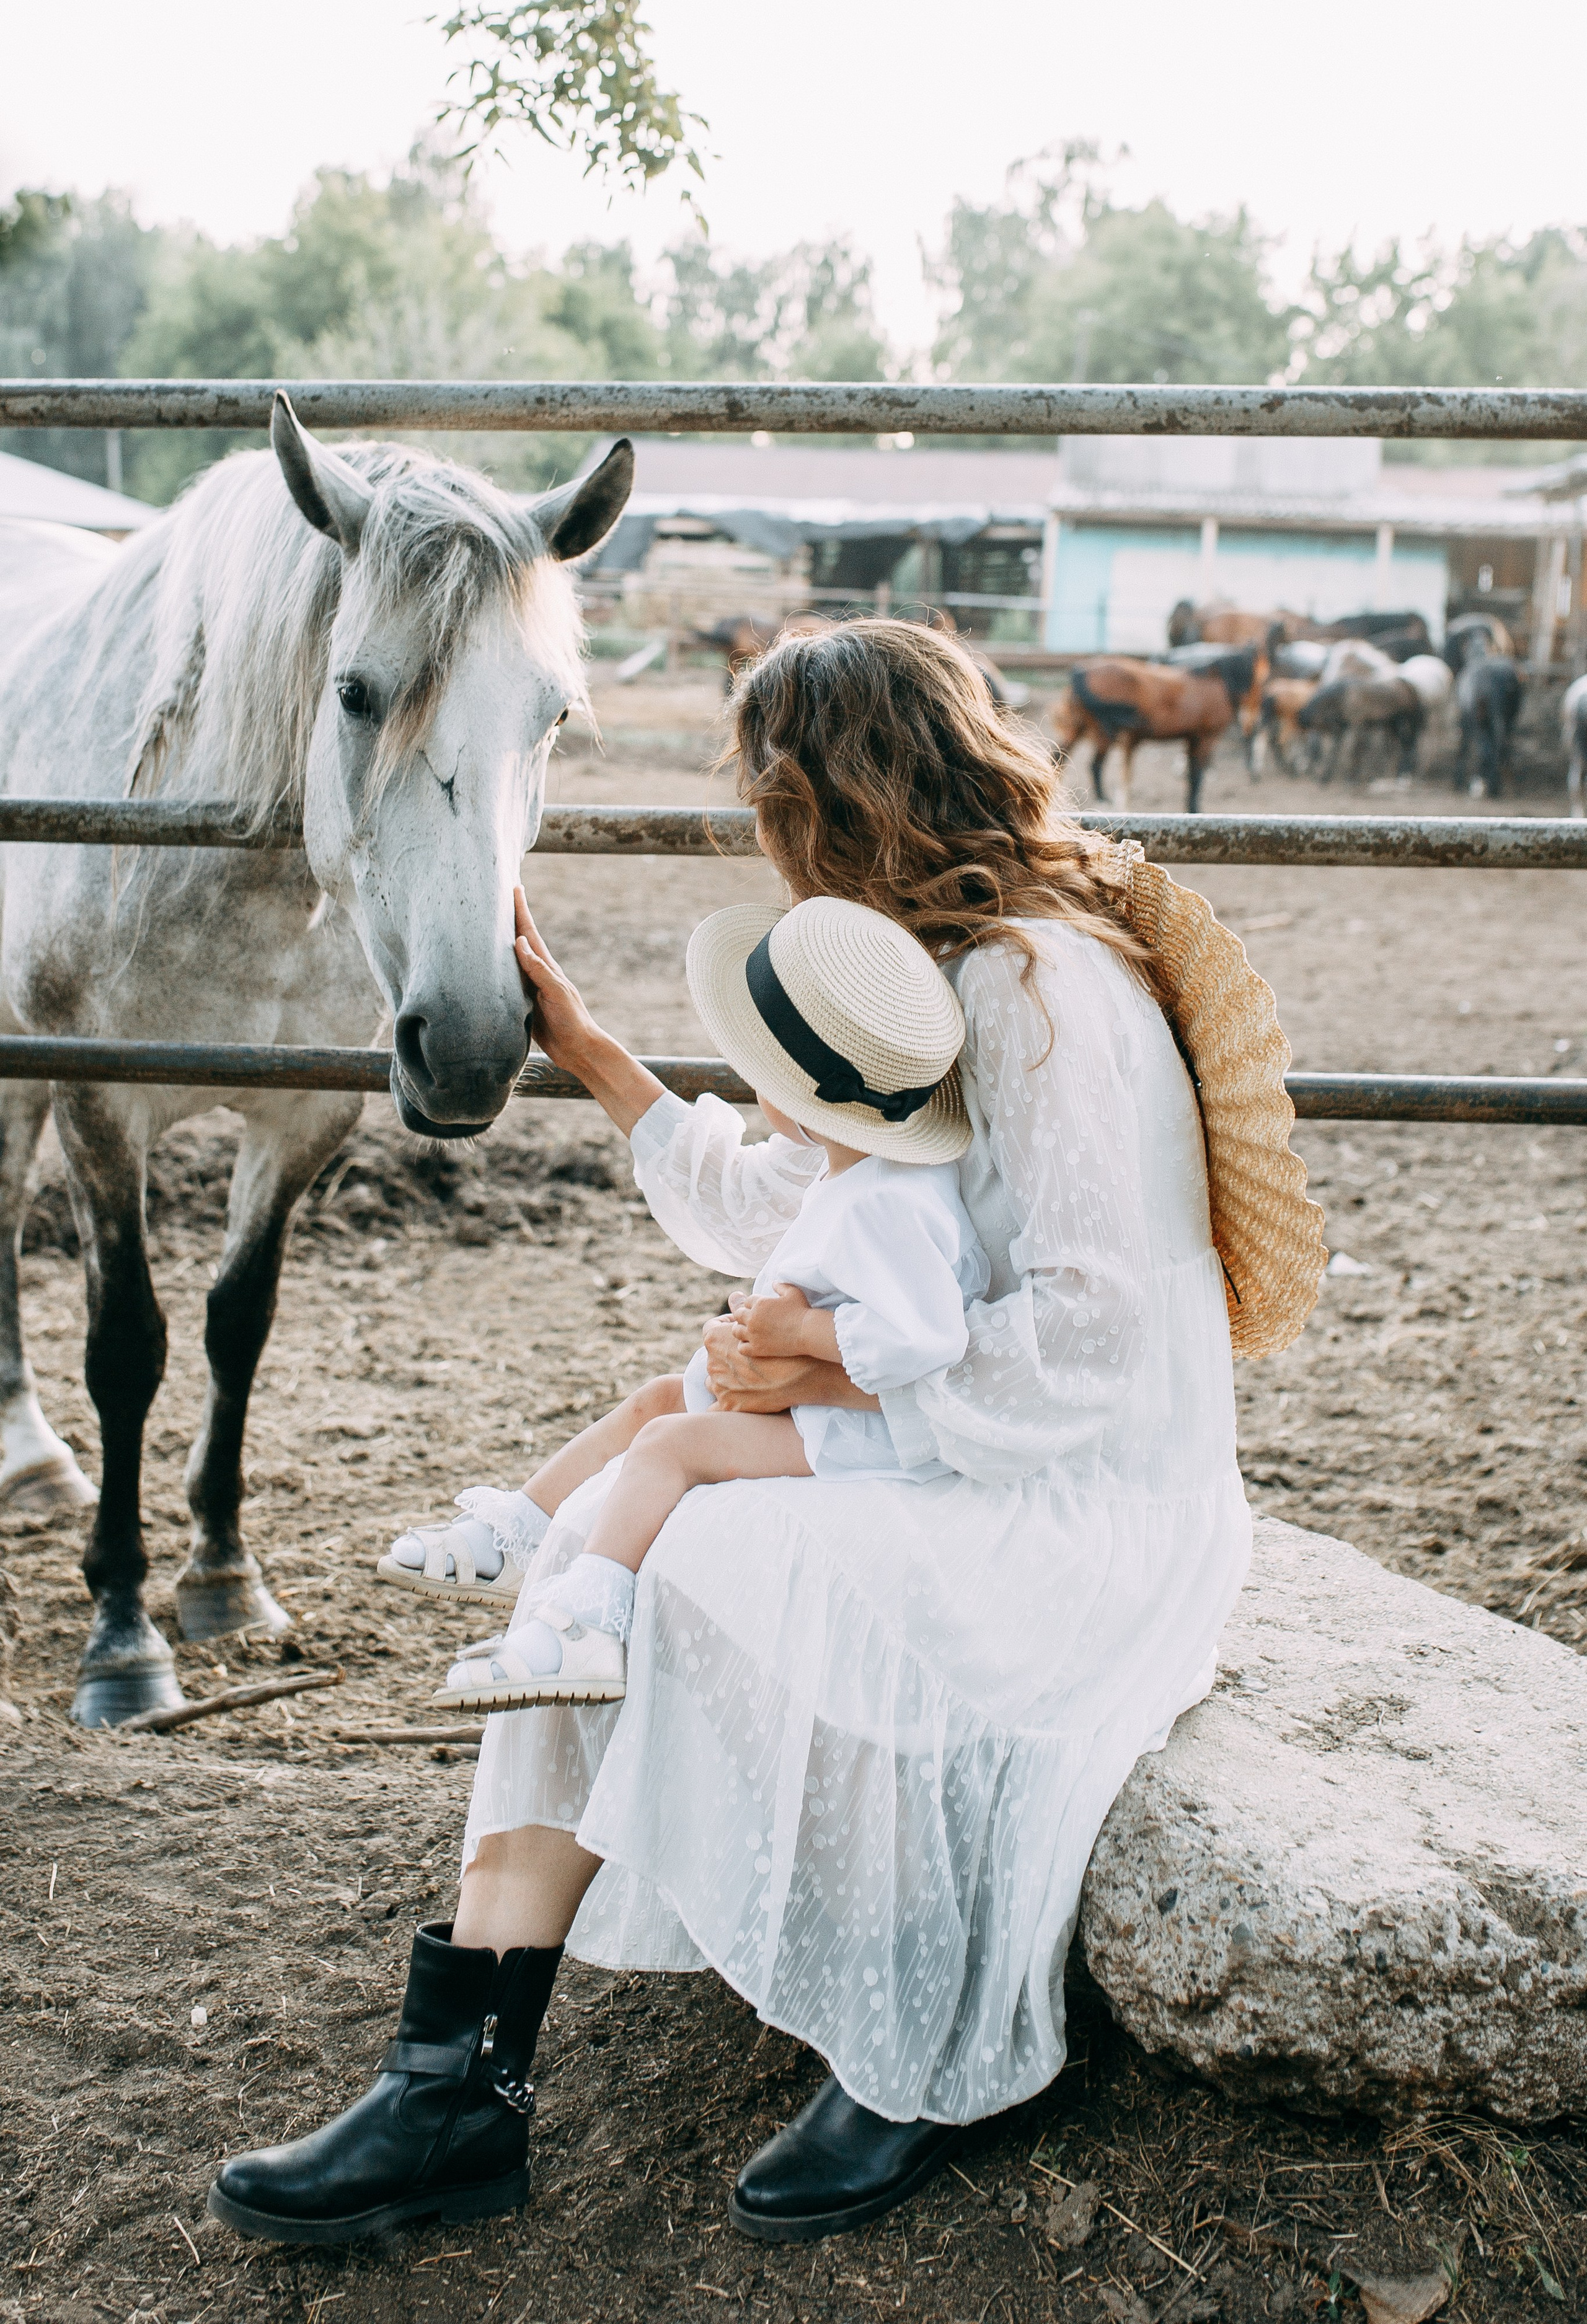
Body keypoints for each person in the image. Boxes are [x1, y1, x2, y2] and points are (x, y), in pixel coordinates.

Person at [206, 619, 1277, 2253]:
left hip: (1078, 1495)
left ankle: (919, 2039)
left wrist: (833, 1369)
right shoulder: (933, 970)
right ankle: (456, 2081)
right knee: (614, 1547)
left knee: (692, 1533)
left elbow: (1101, 1332)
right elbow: (796, 1191)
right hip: (960, 1447)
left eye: (769, 808)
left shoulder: (1042, 985)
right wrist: (588, 1048)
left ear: (817, 796)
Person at [428, 894, 991, 1714]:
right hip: (849, 1417)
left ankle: (587, 1622)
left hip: (870, 1437)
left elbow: (926, 1336)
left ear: (791, 1097)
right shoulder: (868, 1178)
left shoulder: (884, 1204)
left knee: (670, 1446)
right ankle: (522, 1530)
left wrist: (800, 1330)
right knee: (660, 1401)